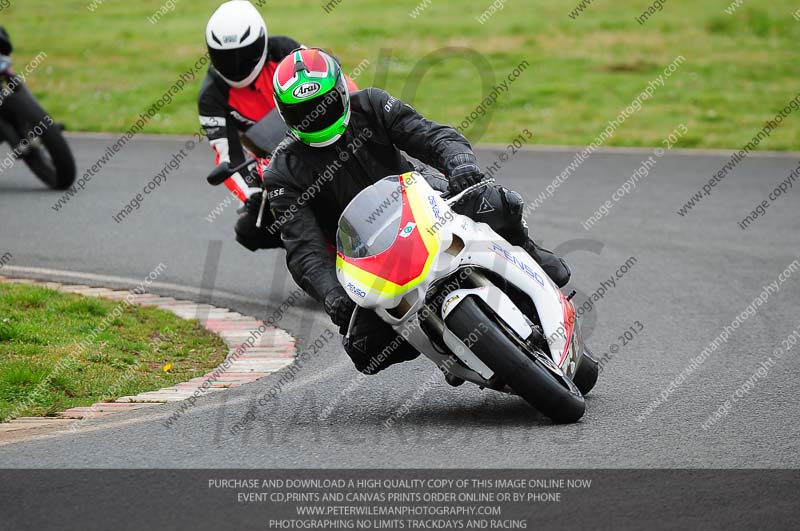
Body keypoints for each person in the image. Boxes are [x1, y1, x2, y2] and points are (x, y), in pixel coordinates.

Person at [264, 49, 571, 375]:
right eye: (305, 112)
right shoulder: (282, 173)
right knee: (365, 351)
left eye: (323, 105)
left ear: (340, 92)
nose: (317, 116)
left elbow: (430, 134)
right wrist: (331, 295)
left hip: (427, 203)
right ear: (286, 114)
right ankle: (446, 345)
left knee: (493, 202)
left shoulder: (371, 105)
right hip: (368, 258)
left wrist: (459, 162)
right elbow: (303, 247)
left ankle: (529, 253)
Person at [197, 0, 300, 252]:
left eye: (244, 54)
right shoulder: (212, 96)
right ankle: (303, 246)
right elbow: (228, 156)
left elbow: (333, 83)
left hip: (323, 139)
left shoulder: (286, 52)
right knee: (249, 230)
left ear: (262, 42)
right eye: (225, 57)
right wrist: (252, 194)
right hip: (277, 167)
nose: (235, 64)